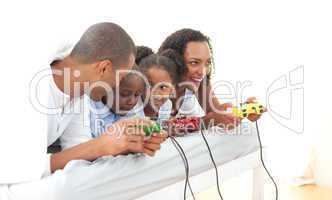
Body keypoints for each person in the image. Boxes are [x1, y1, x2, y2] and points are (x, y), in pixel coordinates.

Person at [0, 22, 166, 200]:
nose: (118, 86)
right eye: (121, 77)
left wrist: (124, 144)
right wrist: (101, 145)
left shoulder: (79, 93)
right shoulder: (27, 83)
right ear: (103, 68)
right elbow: (17, 171)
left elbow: (77, 152)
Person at [158, 28, 265, 130]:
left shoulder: (196, 80)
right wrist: (209, 120)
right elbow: (160, 129)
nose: (202, 72)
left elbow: (217, 113)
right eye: (194, 62)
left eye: (207, 63)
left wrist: (242, 111)